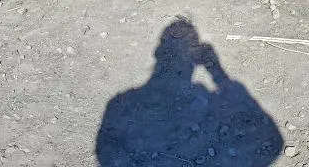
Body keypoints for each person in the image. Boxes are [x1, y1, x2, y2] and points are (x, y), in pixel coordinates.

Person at [96, 17, 283, 167]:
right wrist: (219, 74)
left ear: (158, 52)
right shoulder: (122, 103)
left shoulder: (120, 103)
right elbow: (274, 142)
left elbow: (103, 152)